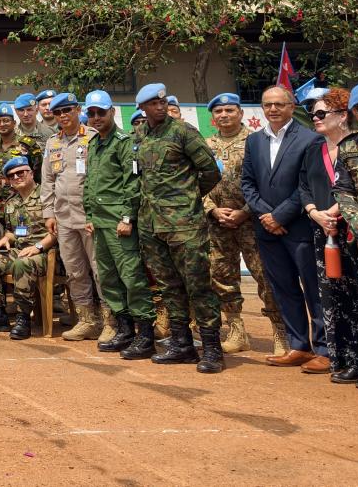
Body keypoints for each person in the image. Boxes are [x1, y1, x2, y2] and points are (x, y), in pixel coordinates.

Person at [132, 83, 224, 373]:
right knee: (168, 286)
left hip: (185, 224)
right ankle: (182, 343)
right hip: (152, 225)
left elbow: (210, 171)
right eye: (153, 104)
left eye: (162, 102)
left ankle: (211, 349)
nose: (160, 107)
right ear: (143, 109)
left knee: (198, 285)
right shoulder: (140, 135)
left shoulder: (184, 132)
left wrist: (186, 199)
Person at [239, 85, 326, 371]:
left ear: (291, 106)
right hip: (266, 229)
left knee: (313, 288)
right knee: (284, 289)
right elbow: (247, 183)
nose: (273, 109)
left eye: (279, 104)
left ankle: (324, 349)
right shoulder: (254, 141)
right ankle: (299, 346)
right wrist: (267, 216)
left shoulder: (311, 139)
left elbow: (307, 186)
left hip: (299, 227)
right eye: (267, 105)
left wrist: (280, 216)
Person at [303, 87, 358, 387]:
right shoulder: (351, 147)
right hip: (355, 235)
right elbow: (344, 192)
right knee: (350, 300)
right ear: (355, 112)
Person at [203, 92, 286, 356]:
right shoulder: (206, 145)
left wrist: (245, 211)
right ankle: (236, 330)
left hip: (252, 222)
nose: (224, 115)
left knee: (266, 276)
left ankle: (280, 331)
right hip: (217, 224)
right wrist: (213, 210)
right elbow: (195, 183)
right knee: (221, 276)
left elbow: (267, 182)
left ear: (240, 113)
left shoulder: (258, 141)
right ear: (213, 117)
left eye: (229, 110)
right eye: (219, 111)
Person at [82, 91, 155, 360]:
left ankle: (145, 335)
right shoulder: (94, 144)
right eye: (91, 113)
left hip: (118, 223)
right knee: (109, 279)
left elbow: (133, 182)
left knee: (132, 277)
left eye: (101, 112)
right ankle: (125, 330)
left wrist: (127, 218)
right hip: (100, 223)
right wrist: (89, 215)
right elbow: (90, 183)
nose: (96, 118)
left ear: (112, 112)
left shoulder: (125, 142)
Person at [41, 92, 106, 343]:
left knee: (100, 270)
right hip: (64, 217)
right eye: (58, 113)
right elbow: (47, 180)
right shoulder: (52, 144)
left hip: (90, 216)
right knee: (75, 271)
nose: (63, 116)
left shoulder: (93, 137)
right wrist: (49, 213)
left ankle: (109, 321)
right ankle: (87, 320)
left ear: (77, 110)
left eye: (67, 110)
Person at [0, 156, 55, 339]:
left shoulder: (47, 196)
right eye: (12, 176)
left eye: (21, 173)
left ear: (31, 173)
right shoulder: (12, 202)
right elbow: (14, 231)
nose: (17, 177)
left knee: (22, 263)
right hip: (20, 250)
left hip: (45, 252)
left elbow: (57, 231)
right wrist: (6, 238)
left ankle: (23, 317)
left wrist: (38, 247)